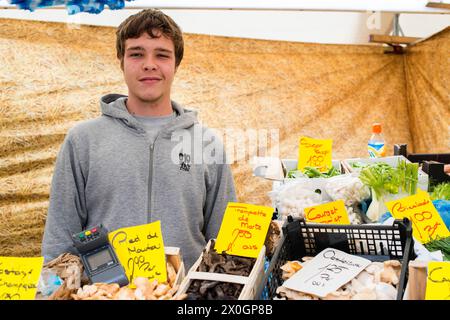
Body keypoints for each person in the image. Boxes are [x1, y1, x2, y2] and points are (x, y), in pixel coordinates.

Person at [42, 9, 237, 270]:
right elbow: (60, 238)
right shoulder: (83, 140)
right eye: (136, 53)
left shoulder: (206, 143)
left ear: (176, 64)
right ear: (121, 60)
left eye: (162, 54)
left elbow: (223, 240)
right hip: (104, 293)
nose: (149, 64)